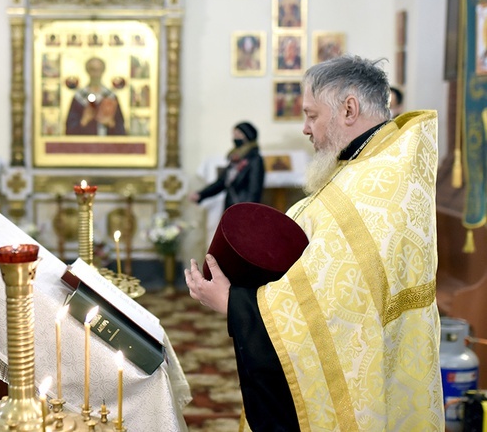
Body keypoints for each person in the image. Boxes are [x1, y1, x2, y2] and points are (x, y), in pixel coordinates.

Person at [185, 55, 443, 431]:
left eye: (311, 115)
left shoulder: (372, 186)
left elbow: (334, 304)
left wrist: (232, 304)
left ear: (349, 109)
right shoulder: (375, 165)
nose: (305, 129)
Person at [189, 122, 265, 212]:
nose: (235, 137)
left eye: (239, 134)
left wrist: (248, 211)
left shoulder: (254, 159)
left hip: (244, 210)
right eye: (234, 134)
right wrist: (201, 195)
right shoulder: (236, 158)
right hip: (231, 207)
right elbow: (222, 182)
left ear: (248, 136)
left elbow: (254, 190)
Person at [65, 57, 126, 136]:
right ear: (87, 71)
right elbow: (69, 129)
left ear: (103, 71)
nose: (96, 74)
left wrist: (111, 123)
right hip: (84, 145)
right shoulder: (79, 97)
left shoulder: (110, 96)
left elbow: (121, 129)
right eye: (92, 69)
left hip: (107, 145)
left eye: (98, 70)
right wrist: (84, 120)